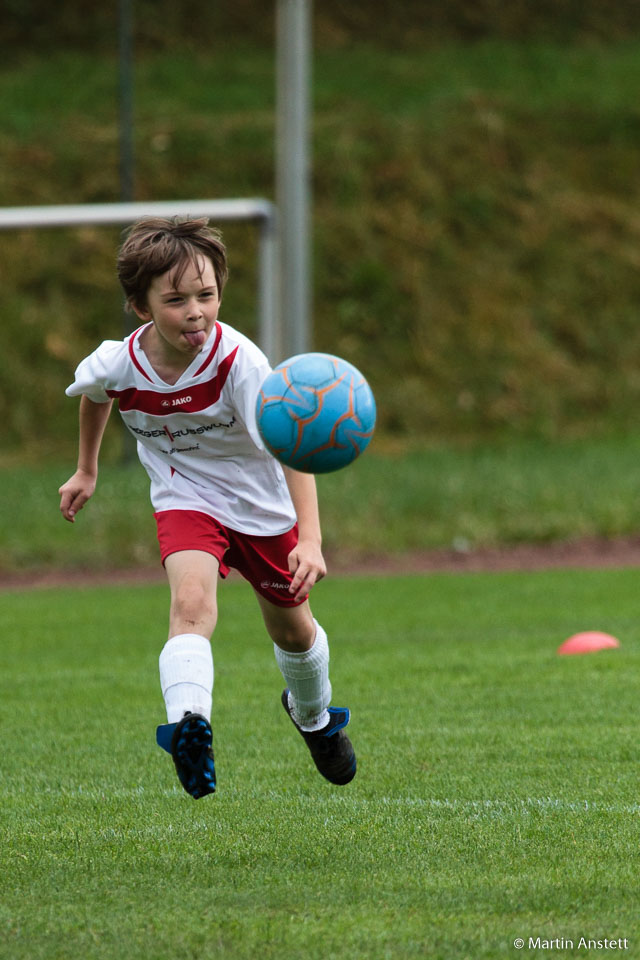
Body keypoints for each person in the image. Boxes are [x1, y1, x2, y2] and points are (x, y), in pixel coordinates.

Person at [58, 216, 356, 799]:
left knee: (294, 633)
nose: (195, 310)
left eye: (207, 295)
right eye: (175, 299)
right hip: (185, 495)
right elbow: (96, 398)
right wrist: (86, 469)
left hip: (262, 504)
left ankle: (314, 716)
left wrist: (311, 539)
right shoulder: (117, 361)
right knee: (190, 603)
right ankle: (191, 725)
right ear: (140, 307)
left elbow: (292, 449)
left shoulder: (241, 364)